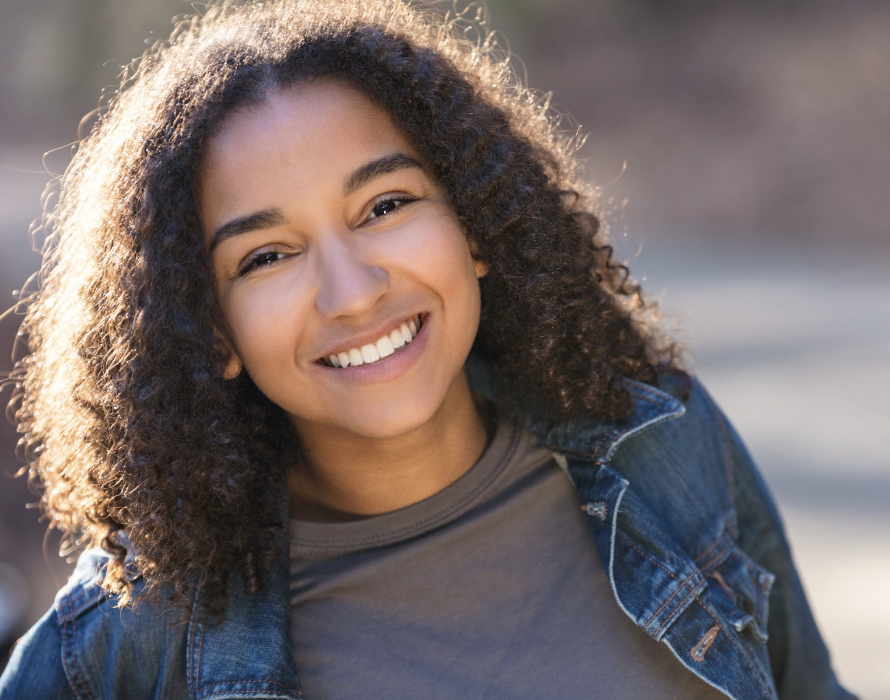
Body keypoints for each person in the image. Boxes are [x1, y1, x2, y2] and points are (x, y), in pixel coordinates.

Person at [0, 1, 856, 698]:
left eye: (384, 206)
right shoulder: (131, 638)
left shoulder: (660, 447)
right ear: (210, 333)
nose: (353, 291)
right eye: (266, 257)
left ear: (476, 229)